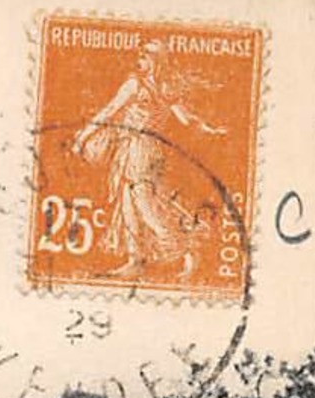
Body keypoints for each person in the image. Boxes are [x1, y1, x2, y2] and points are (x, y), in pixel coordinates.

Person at [71, 39, 227, 282]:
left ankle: (185, 249)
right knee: (127, 204)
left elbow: (108, 111)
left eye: (143, 57)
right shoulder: (166, 88)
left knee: (144, 205)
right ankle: (135, 261)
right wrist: (209, 128)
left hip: (137, 148)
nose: (139, 60)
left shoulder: (135, 85)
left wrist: (82, 136)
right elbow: (187, 119)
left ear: (154, 61)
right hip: (146, 150)